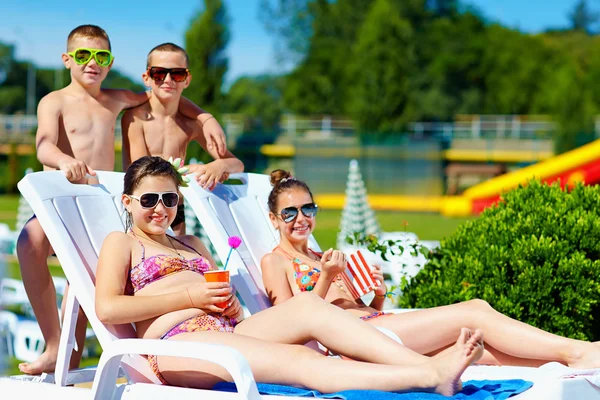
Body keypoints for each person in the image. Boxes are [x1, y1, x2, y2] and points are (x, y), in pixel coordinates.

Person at [95, 155, 484, 394]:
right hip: (178, 346)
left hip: (224, 330)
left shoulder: (192, 243)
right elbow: (108, 308)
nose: (161, 208)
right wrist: (190, 299)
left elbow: (224, 304)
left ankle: (415, 364)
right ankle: (430, 375)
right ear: (128, 202)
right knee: (301, 361)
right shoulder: (123, 242)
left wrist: (226, 305)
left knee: (312, 309)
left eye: (169, 198)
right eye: (149, 200)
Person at [16, 25, 227, 375]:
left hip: (100, 202)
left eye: (101, 56)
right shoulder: (53, 100)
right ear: (67, 59)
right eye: (83, 55)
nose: (92, 63)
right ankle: (54, 343)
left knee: (83, 271)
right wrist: (63, 160)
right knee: (29, 242)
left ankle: (72, 352)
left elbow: (164, 94)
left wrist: (206, 116)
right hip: (62, 198)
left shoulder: (116, 99)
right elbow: (44, 143)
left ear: (110, 62)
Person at [261, 169, 600, 369]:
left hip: (376, 326)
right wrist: (326, 279)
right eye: (290, 213)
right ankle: (579, 350)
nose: (301, 218)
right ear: (274, 220)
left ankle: (573, 363)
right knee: (476, 311)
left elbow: (362, 309)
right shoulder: (274, 261)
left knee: (483, 353)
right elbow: (292, 325)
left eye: (308, 208)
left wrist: (378, 296)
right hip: (349, 345)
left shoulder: (324, 255)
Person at [121, 42, 244, 235]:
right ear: (147, 77)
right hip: (143, 206)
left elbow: (236, 163)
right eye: (159, 73)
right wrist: (186, 171)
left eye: (177, 74)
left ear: (187, 80)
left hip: (174, 207)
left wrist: (219, 166)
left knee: (180, 258)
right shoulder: (136, 118)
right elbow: (140, 172)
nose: (168, 80)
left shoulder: (191, 124)